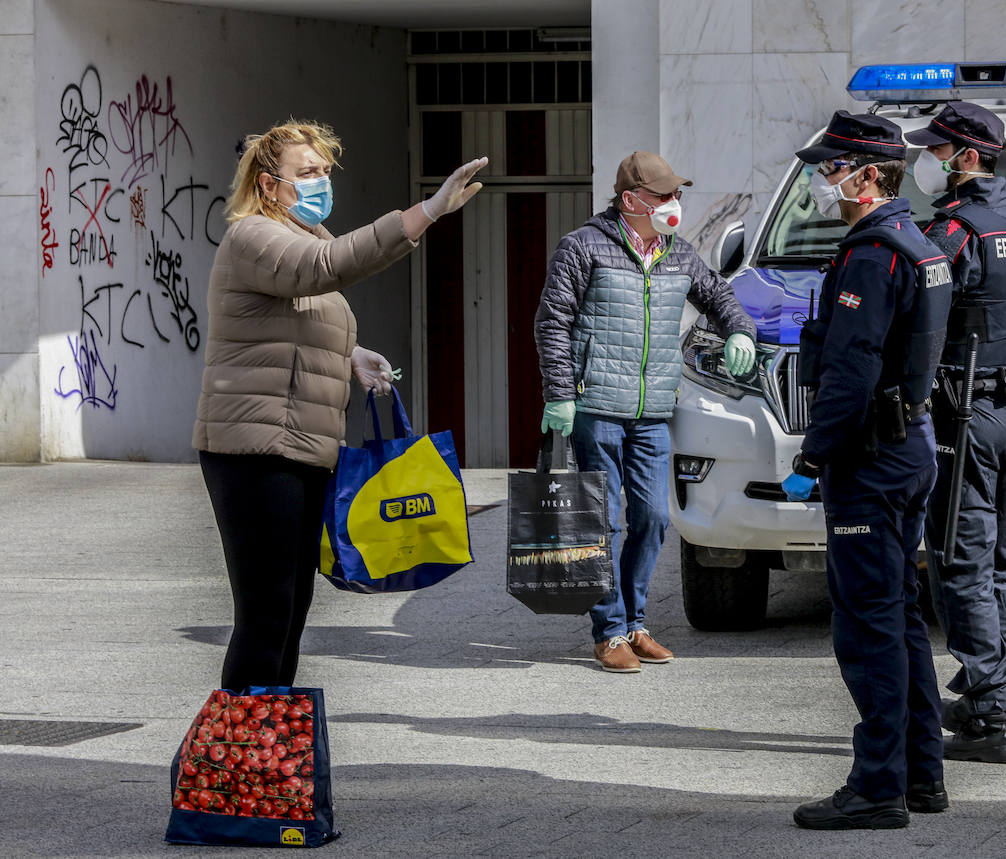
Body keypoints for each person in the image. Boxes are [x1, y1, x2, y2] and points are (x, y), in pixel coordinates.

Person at [194, 119, 487, 690]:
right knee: (266, 614)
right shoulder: (253, 236)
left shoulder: (308, 234)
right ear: (267, 183)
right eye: (307, 173)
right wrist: (425, 212)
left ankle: (270, 751)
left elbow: (293, 320)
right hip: (256, 449)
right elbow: (323, 271)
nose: (322, 181)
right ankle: (234, 761)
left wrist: (352, 353)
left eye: (326, 170)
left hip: (302, 445)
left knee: (291, 610)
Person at [782, 112, 955, 830]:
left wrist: (812, 455)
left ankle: (878, 784)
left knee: (867, 626)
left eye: (832, 168)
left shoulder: (872, 255)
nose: (823, 180)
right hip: (908, 444)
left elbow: (850, 371)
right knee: (900, 615)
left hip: (871, 459)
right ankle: (922, 773)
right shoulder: (917, 243)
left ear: (867, 175)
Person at [534, 151, 757, 674]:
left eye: (676, 194)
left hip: (653, 410)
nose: (673, 204)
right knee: (604, 521)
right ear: (630, 199)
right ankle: (609, 631)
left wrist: (741, 330)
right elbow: (552, 323)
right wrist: (560, 393)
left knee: (655, 518)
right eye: (662, 195)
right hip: (596, 407)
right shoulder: (583, 246)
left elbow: (719, 296)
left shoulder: (679, 254)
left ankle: (637, 624)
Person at [904, 101, 1006, 763]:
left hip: (967, 415)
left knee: (961, 562)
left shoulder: (956, 230)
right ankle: (979, 690)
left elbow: (924, 313)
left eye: (937, 150)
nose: (929, 161)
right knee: (995, 559)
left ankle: (995, 719)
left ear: (966, 157)